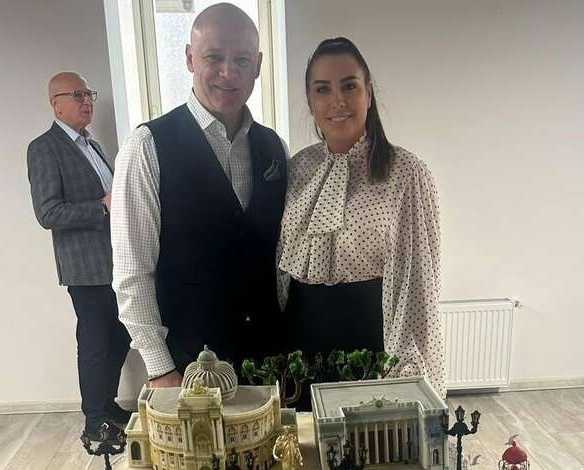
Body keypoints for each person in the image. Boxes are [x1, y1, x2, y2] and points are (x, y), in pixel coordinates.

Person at [111, 4, 287, 388]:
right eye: (214, 57)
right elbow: (132, 271)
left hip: (269, 363)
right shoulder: (147, 146)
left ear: (258, 65)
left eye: (242, 60)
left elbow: (279, 261)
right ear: (190, 58)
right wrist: (160, 369)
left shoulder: (274, 147)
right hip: (189, 368)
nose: (228, 72)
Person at [278, 37, 446, 399]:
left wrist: (409, 375)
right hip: (299, 347)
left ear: (368, 93)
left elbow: (418, 286)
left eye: (349, 86)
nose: (337, 100)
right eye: (323, 89)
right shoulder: (298, 169)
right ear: (310, 101)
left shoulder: (406, 173)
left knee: (367, 435)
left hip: (370, 343)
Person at [27, 72, 131, 442]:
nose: (87, 101)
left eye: (89, 94)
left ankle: (107, 403)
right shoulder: (45, 148)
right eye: (77, 94)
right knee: (95, 342)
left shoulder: (93, 145)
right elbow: (48, 212)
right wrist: (101, 206)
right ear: (55, 104)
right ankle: (95, 422)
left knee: (120, 335)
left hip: (115, 261)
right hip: (85, 267)